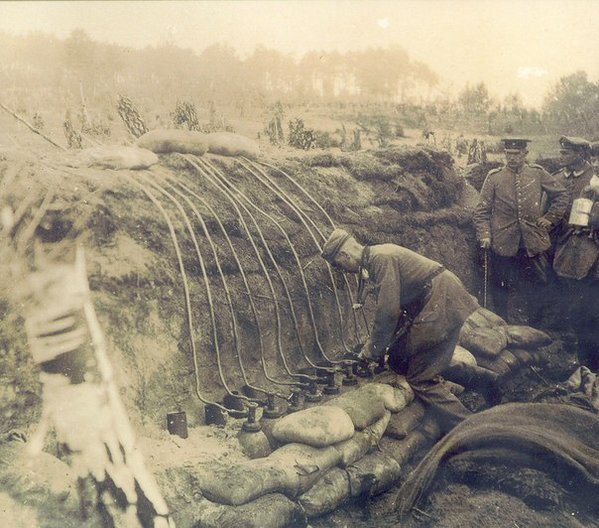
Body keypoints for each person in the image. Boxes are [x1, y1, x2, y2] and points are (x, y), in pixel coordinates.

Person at [321, 229, 483, 433]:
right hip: (438, 299)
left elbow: (388, 312)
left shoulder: (381, 259)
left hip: (440, 301)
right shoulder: (377, 257)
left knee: (420, 377)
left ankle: (471, 427)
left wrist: (373, 349)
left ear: (344, 255)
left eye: (339, 265)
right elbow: (397, 309)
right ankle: (488, 380)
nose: (343, 270)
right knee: (407, 360)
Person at [473, 138, 568, 324]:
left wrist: (549, 218)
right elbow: (481, 211)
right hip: (503, 241)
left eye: (516, 154)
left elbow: (562, 195)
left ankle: (535, 324)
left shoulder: (537, 173)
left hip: (531, 241)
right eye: (508, 153)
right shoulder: (494, 177)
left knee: (538, 283)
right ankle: (503, 323)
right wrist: (485, 235)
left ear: (525, 154)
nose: (512, 158)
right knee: (500, 284)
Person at [551, 136, 599, 371]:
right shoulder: (589, 185)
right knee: (584, 311)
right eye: (597, 163)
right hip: (579, 253)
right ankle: (587, 365)